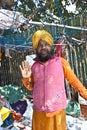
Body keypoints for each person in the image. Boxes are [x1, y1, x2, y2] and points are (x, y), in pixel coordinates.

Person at [19, 30, 87, 130]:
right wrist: (25, 78)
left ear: (51, 46)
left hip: (57, 112)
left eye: (46, 44)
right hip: (39, 113)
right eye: (40, 45)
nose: (43, 47)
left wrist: (85, 95)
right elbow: (31, 87)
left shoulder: (61, 62)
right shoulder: (34, 67)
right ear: (36, 48)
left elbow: (74, 81)